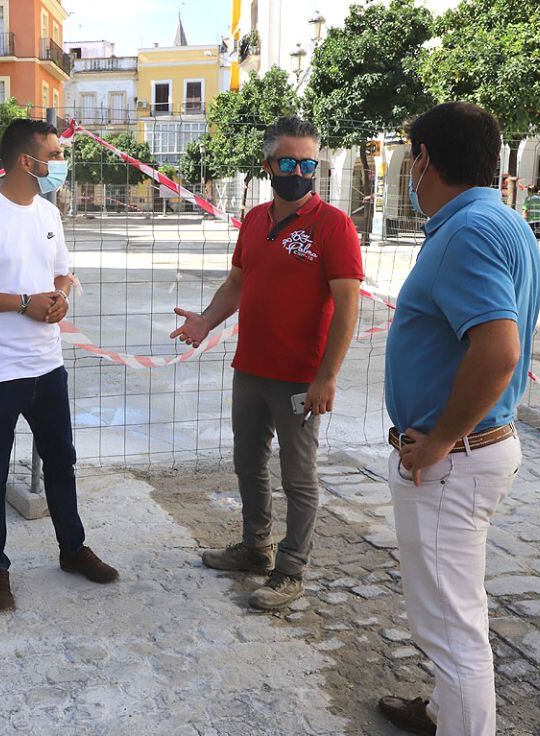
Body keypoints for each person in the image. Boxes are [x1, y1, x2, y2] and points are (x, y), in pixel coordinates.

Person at [379, 102, 540, 736]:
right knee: (450, 614)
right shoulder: (494, 220)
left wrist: (441, 438)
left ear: (423, 160)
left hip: (455, 458)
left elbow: (498, 349)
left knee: (450, 629)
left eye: (409, 158)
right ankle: (443, 713)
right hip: (469, 452)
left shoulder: (469, 230)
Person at [170, 117, 363, 610]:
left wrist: (327, 375)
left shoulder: (333, 225)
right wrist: (205, 321)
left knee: (299, 477)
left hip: (300, 377)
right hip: (250, 368)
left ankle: (291, 570)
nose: (298, 171)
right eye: (287, 162)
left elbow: (348, 306)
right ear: (268, 165)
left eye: (307, 163)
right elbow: (236, 284)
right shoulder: (254, 220)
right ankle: (255, 549)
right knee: (248, 463)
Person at [0, 118, 118, 613]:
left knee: (62, 460)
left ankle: (72, 550)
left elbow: (61, 272)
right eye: (55, 154)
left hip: (47, 364)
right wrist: (23, 303)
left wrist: (59, 298)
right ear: (27, 161)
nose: (60, 163)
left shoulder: (48, 211)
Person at [522, 185, 540, 251]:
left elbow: (525, 210)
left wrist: (524, 219)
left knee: (531, 236)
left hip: (531, 220)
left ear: (529, 191)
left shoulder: (528, 198)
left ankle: (532, 250)